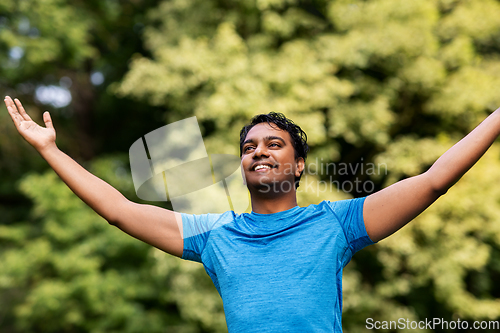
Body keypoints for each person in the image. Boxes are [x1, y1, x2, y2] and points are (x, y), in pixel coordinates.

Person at [4, 95, 500, 332]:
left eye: (274, 143)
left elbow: (434, 180)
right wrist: (51, 150)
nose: (258, 151)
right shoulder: (213, 235)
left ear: (299, 165)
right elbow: (118, 209)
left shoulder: (337, 224)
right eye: (248, 147)